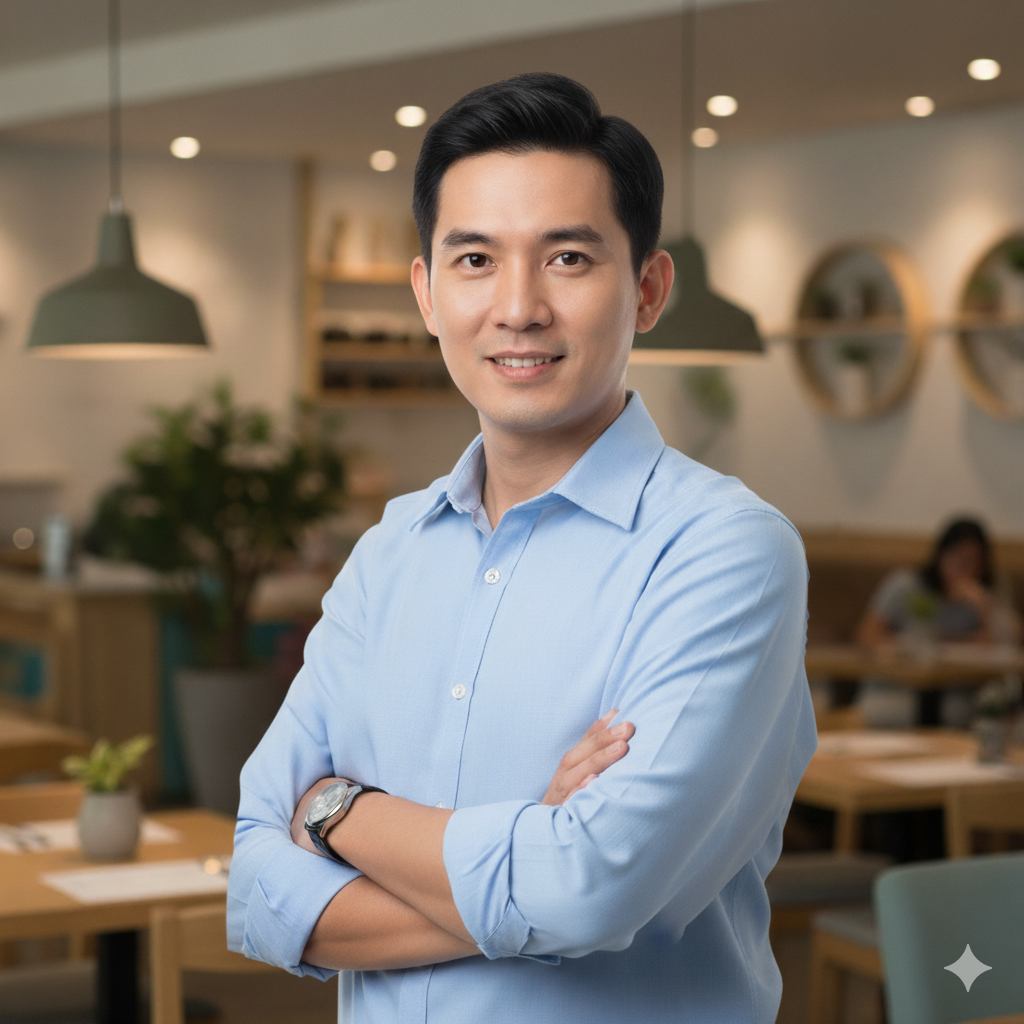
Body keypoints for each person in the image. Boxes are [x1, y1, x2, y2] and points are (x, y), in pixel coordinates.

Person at [227, 73, 815, 1023]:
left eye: (568, 257)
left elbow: (587, 890)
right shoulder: (390, 552)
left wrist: (337, 813)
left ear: (649, 289)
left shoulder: (725, 553)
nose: (518, 307)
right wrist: (533, 855)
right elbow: (257, 887)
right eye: (474, 259)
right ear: (426, 294)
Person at [855, 517, 1020, 727]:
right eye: (957, 558)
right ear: (941, 555)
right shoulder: (907, 585)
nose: (964, 568)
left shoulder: (987, 592)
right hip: (901, 688)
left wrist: (985, 607)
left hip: (958, 694)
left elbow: (1010, 640)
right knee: (870, 711)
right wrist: (898, 647)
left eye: (973, 562)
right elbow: (867, 633)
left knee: (979, 711)